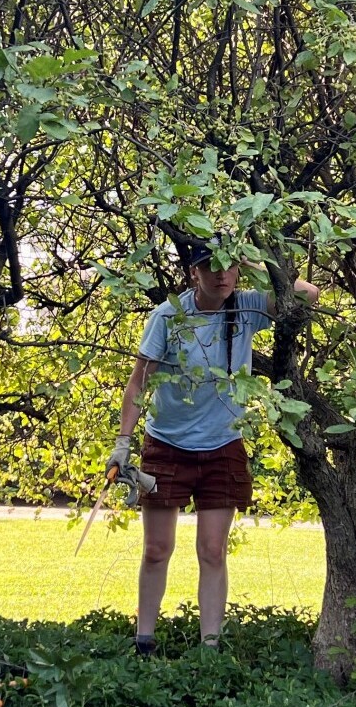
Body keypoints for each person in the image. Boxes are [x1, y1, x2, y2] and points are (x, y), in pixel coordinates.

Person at [111, 242, 319, 654]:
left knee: (212, 549)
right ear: (193, 274)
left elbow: (307, 294)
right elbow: (139, 381)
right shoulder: (169, 316)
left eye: (228, 267)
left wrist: (251, 262)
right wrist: (122, 443)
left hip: (223, 443)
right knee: (156, 549)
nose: (221, 276)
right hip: (167, 442)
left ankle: (210, 648)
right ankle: (143, 642)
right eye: (210, 268)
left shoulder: (245, 307)